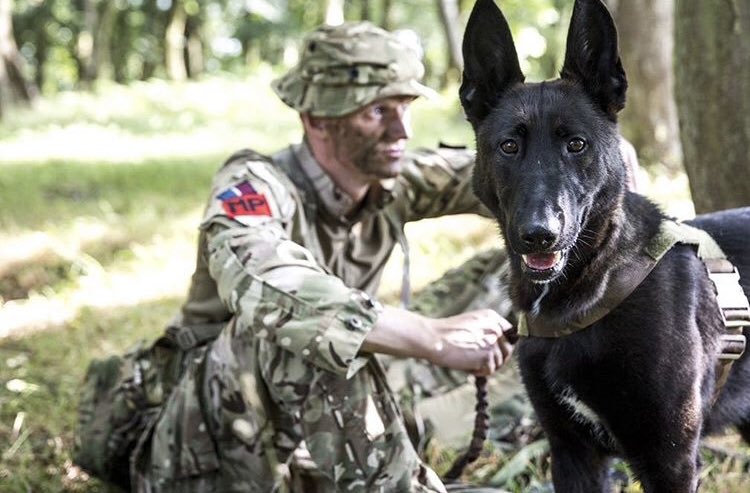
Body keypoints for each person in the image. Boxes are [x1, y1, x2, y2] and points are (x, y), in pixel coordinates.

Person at [124, 21, 519, 493]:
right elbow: (263, 281)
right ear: (317, 119)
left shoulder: (391, 177)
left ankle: (560, 409)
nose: (402, 129)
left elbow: (515, 167)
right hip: (205, 448)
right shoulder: (255, 185)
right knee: (299, 330)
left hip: (322, 415)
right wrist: (431, 337)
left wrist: (582, 145)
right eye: (377, 111)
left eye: (406, 106)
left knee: (518, 267)